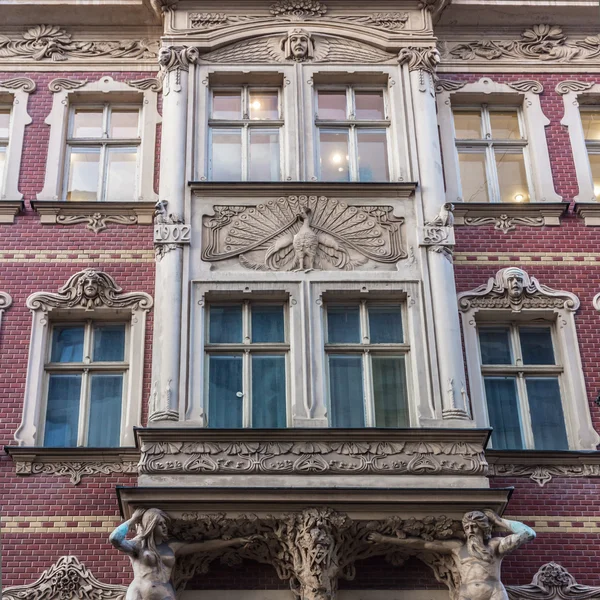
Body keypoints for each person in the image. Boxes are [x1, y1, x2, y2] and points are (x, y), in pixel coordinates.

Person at [368, 509, 535, 600]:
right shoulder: (457, 547)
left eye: (474, 527)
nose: (470, 531)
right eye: (467, 527)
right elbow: (422, 543)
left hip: (494, 592)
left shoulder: (495, 545)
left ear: (483, 528)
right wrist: (385, 538)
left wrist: (499, 520)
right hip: (466, 594)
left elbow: (528, 533)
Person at [110, 508, 253, 600]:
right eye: (160, 524)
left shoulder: (172, 547)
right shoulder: (138, 545)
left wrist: (235, 540)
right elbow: (115, 539)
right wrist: (133, 520)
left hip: (164, 592)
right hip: (139, 591)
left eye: (165, 523)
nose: (165, 527)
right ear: (151, 525)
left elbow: (203, 546)